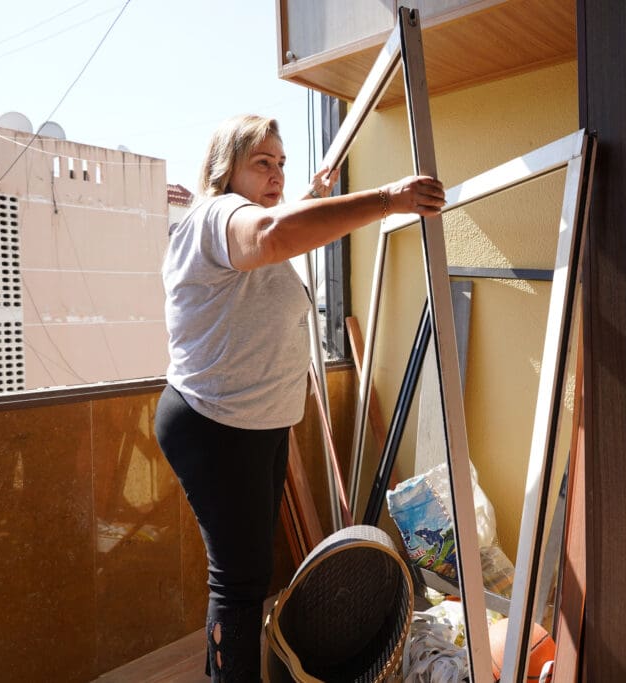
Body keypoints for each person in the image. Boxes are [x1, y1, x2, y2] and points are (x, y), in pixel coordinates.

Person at [154, 114, 445, 682]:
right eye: (262, 162)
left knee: (249, 574)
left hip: (253, 424)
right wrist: (388, 199)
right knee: (239, 581)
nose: (276, 174)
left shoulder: (238, 222)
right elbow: (267, 234)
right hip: (216, 424)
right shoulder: (218, 214)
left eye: (281, 163)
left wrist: (311, 194)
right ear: (223, 170)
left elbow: (269, 243)